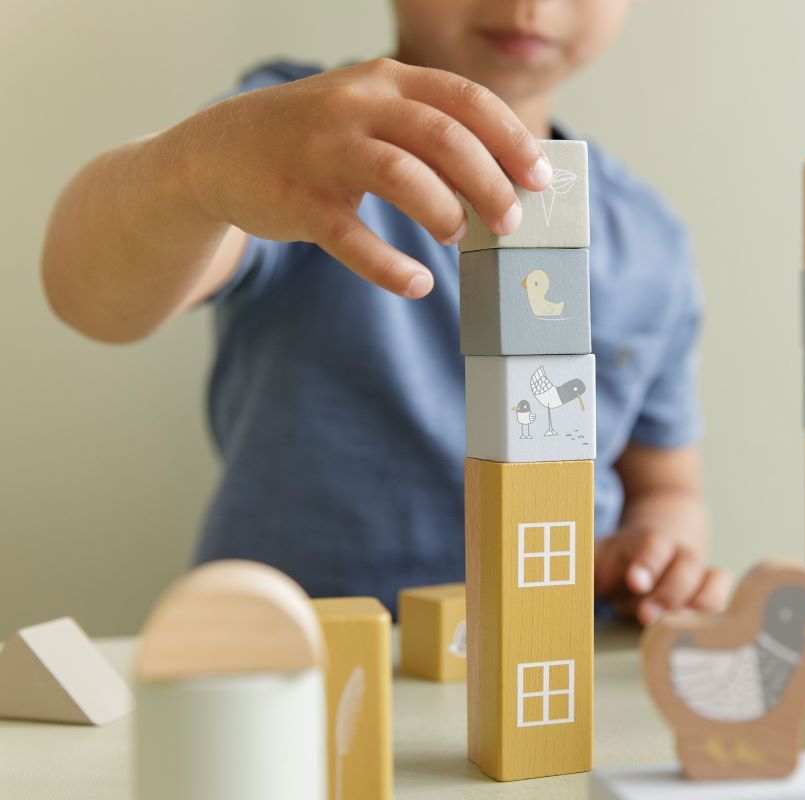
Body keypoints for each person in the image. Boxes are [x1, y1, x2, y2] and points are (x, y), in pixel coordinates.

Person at [40, 0, 729, 625]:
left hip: (551, 648)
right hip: (288, 657)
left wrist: (657, 552)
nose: (529, 7)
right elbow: (93, 298)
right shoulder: (296, 141)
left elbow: (665, 488)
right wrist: (193, 171)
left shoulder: (648, 239)